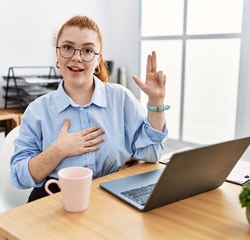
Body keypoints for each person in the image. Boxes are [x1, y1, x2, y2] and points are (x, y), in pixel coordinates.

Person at [10, 15, 170, 202]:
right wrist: (59, 150)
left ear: (98, 59)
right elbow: (18, 176)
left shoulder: (120, 98)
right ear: (57, 53)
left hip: (107, 195)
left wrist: (156, 100)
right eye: (68, 47)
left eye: (87, 50)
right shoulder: (37, 110)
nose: (76, 57)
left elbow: (152, 153)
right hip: (54, 198)